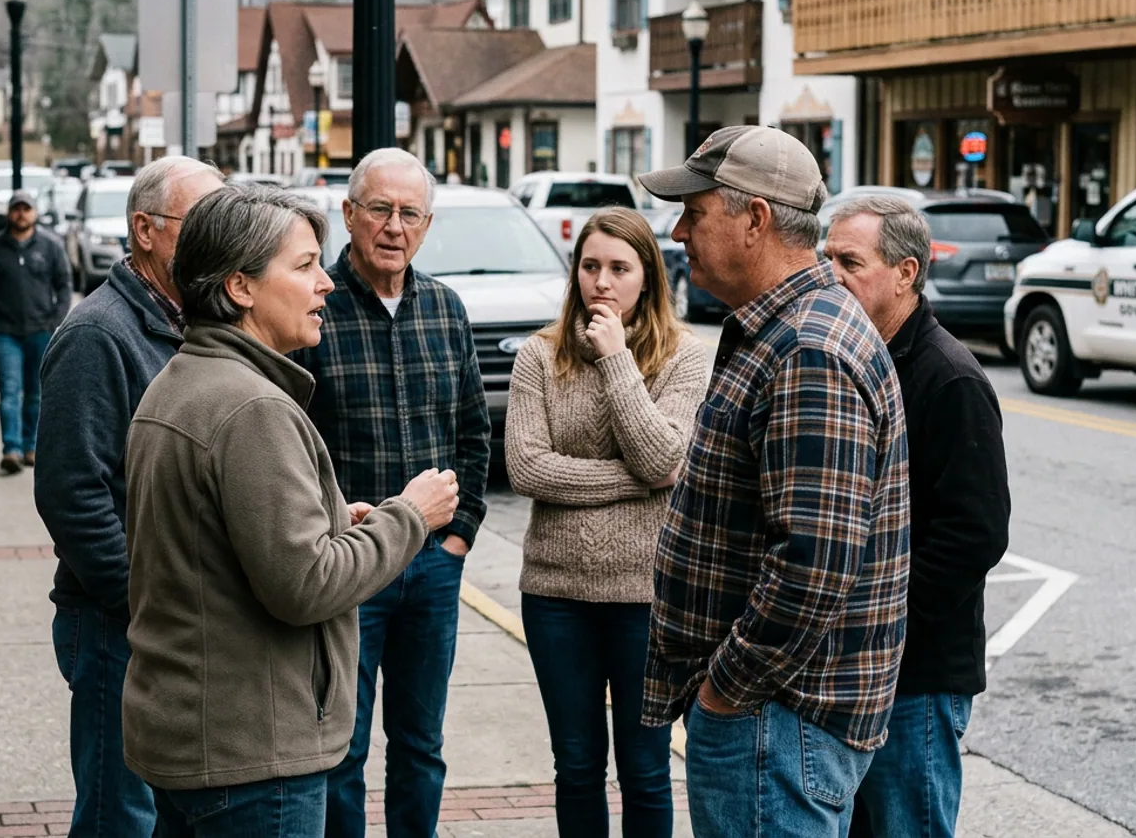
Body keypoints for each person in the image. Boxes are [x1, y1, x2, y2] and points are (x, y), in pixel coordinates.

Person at [123, 188, 463, 837]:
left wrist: (336, 522)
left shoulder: (184, 381)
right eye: (305, 265)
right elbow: (304, 584)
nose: (325, 283)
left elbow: (217, 548)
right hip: (251, 758)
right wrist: (409, 516)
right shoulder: (252, 409)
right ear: (241, 286)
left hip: (202, 741)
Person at [637, 126, 912, 838]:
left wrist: (725, 691)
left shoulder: (807, 349)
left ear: (754, 220)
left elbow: (814, 563)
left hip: (776, 724)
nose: (679, 232)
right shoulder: (784, 329)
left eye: (695, 213)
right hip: (776, 720)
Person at [295, 148, 491, 838]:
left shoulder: (446, 308)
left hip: (433, 568)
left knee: (420, 745)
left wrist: (460, 533)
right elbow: (295, 440)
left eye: (410, 213)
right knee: (339, 747)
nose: (393, 226)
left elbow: (473, 431)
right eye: (379, 209)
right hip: (351, 568)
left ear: (428, 224)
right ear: (348, 215)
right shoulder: (316, 308)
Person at [34, 157, 227, 838]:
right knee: (119, 816)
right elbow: (70, 493)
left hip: (170, 623)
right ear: (145, 230)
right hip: (119, 623)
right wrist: (140, 599)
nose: (217, 242)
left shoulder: (193, 323)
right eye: (200, 225)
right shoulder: (97, 335)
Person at [504, 206, 709, 838]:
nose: (603, 282)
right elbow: (527, 469)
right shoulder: (539, 356)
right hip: (554, 595)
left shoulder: (686, 357)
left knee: (646, 768)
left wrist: (617, 359)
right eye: (590, 266)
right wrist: (640, 482)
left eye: (620, 268)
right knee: (576, 764)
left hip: (644, 598)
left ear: (647, 276)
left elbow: (664, 455)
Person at [822, 196, 1011, 838]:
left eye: (851, 261)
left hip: (918, 676)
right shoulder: (854, 356)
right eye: (827, 260)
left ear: (906, 272)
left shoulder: (949, 378)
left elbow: (975, 531)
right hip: (855, 670)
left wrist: (886, 618)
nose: (832, 275)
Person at [0, 190, 73, 475]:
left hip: (41, 330)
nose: (21, 214)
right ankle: (10, 448)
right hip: (5, 331)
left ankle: (32, 446)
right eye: (16, 209)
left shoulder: (50, 246)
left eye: (26, 209)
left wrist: (58, 320)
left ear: (34, 213)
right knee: (9, 392)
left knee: (36, 393)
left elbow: (64, 285)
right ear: (9, 213)